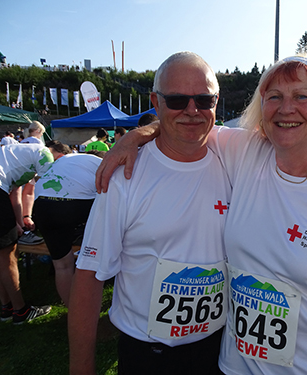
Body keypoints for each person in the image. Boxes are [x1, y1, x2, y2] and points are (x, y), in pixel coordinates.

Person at [96, 52, 307, 375]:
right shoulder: (246, 153)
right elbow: (184, 123)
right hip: (232, 368)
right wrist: (134, 137)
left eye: (302, 96)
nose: (286, 108)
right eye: (274, 97)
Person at [68, 52, 231, 375]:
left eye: (204, 99)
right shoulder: (125, 176)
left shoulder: (234, 159)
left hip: (218, 348)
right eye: (176, 100)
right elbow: (90, 274)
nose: (192, 110)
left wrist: (139, 132)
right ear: (155, 102)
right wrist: (82, 367)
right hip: (148, 354)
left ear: (216, 102)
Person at [0, 142, 55, 324]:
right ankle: (20, 311)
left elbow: (15, 194)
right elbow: (47, 187)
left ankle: (6, 307)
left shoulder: (18, 154)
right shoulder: (45, 155)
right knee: (9, 256)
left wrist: (20, 222)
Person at [33, 149, 104, 307]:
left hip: (42, 204)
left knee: (62, 265)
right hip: (76, 203)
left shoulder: (66, 158)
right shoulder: (100, 162)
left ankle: (72, 310)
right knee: (95, 258)